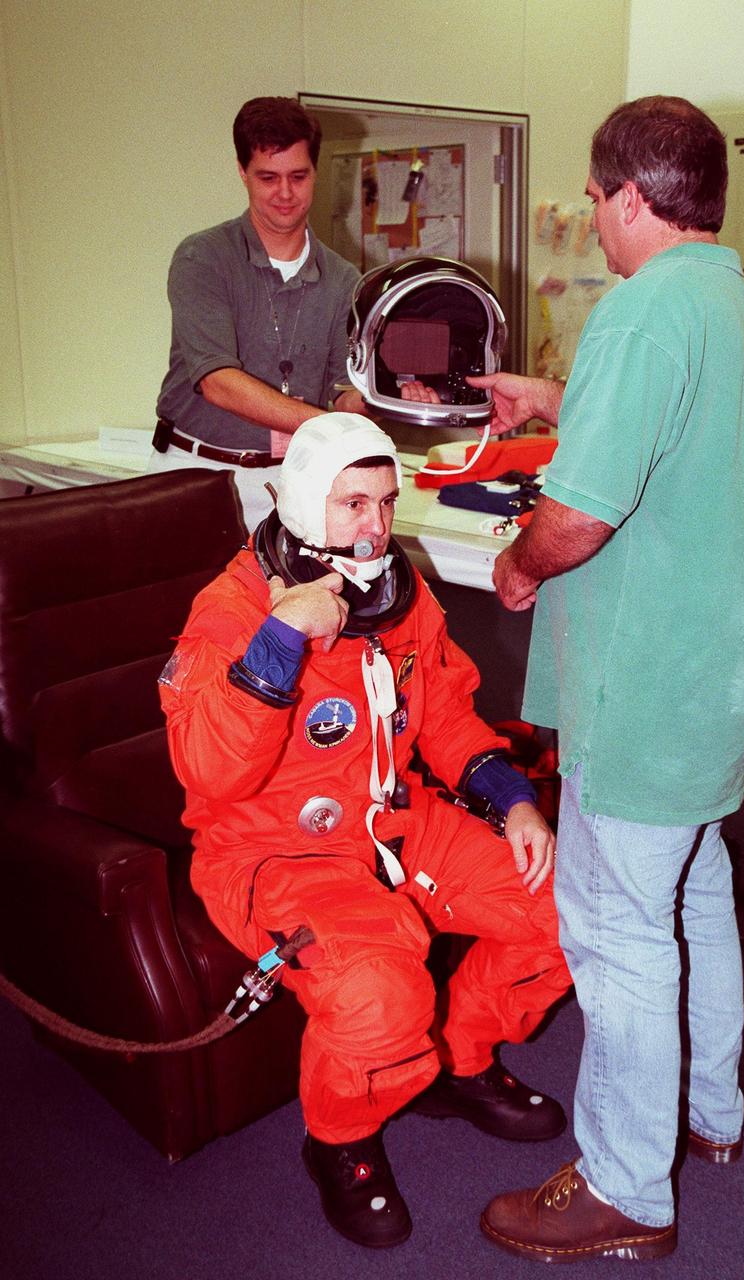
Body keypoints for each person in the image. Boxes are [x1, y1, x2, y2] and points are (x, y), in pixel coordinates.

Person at [468, 96, 744, 1263]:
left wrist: (513, 560)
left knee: (616, 929)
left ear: (629, 198)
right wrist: (557, 401)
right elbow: (677, 430)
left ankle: (623, 1186)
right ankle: (711, 1115)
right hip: (728, 671)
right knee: (693, 890)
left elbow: (581, 517)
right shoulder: (728, 300)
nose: (596, 219)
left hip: (652, 681)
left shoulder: (642, 311)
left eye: (598, 199)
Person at [158, 412, 573, 1249]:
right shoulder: (233, 609)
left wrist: (510, 800)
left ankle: (463, 1057)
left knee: (569, 910)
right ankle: (340, 1141)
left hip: (392, 824)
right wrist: (282, 639)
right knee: (381, 991)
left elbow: (447, 715)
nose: (375, 527)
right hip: (273, 849)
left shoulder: (399, 591)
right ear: (305, 503)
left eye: (385, 503)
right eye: (352, 505)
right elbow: (209, 771)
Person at [149, 97, 367, 531]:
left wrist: (389, 397)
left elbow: (346, 390)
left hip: (292, 479)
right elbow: (219, 383)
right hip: (196, 474)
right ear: (242, 172)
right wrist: (327, 426)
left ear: (315, 174)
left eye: (298, 176)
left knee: (297, 601)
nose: (285, 193)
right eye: (268, 177)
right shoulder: (204, 258)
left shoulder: (344, 279)